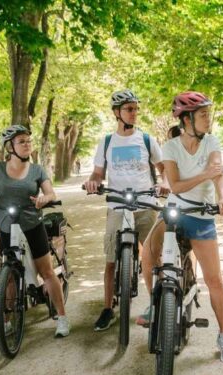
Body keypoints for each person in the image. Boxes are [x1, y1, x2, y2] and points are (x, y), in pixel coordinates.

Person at [140, 91, 223, 364]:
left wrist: (221, 198)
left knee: (214, 279)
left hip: (201, 215)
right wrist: (206, 174)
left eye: (209, 113)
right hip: (175, 211)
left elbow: (218, 175)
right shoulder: (170, 146)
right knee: (147, 254)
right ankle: (155, 304)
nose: (209, 118)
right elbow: (177, 185)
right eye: (203, 114)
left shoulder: (212, 142)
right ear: (186, 119)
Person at [0, 125, 70, 339]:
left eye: (28, 141)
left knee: (47, 273)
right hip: (6, 226)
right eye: (21, 141)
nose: (27, 144)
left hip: (32, 224)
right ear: (10, 146)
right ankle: (4, 323)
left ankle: (61, 318)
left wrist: (44, 198)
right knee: (10, 275)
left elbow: (50, 192)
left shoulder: (37, 170)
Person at [83, 89, 169, 331]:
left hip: (145, 204)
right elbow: (98, 173)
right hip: (117, 205)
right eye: (129, 109)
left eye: (136, 109)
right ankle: (108, 308)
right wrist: (93, 182)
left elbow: (163, 169)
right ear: (117, 113)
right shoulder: (107, 142)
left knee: (153, 256)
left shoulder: (146, 139)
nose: (134, 113)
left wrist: (164, 183)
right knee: (111, 260)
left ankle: (158, 303)